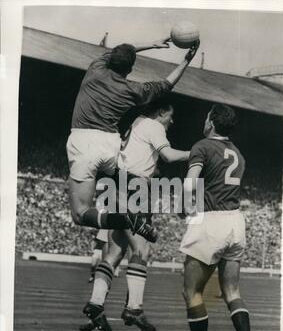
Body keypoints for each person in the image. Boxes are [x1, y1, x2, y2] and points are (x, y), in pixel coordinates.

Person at [66, 36, 199, 243]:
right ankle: (139, 196)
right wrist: (186, 60)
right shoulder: (132, 90)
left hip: (84, 142)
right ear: (129, 69)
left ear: (111, 59)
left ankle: (127, 219)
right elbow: (166, 85)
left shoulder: (96, 68)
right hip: (111, 145)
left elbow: (121, 52)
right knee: (118, 176)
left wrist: (149, 43)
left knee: (80, 214)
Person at [80, 100, 190, 331]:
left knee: (115, 252)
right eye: (170, 114)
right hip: (134, 187)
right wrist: (196, 153)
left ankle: (96, 303)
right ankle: (134, 308)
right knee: (141, 250)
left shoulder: (137, 122)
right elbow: (168, 156)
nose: (172, 121)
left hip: (117, 184)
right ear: (161, 111)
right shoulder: (154, 126)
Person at [180, 103, 257, 331]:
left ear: (211, 121)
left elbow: (190, 186)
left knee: (192, 293)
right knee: (232, 291)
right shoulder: (239, 154)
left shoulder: (202, 146)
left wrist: (183, 204)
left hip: (210, 221)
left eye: (206, 116)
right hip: (235, 222)